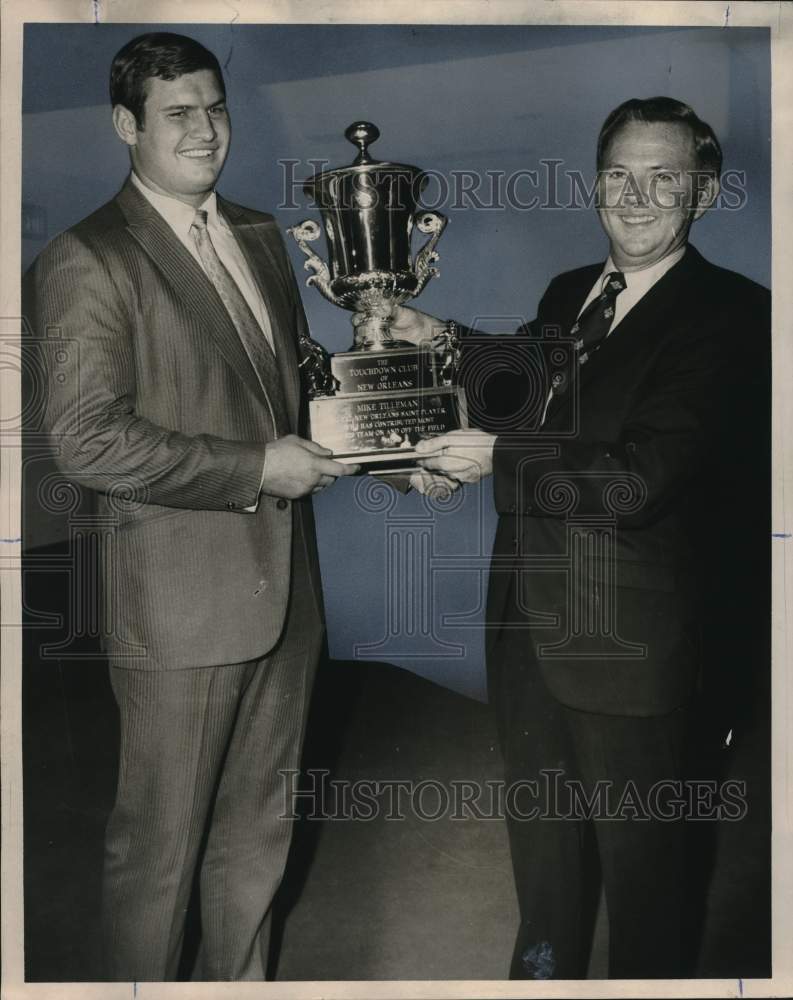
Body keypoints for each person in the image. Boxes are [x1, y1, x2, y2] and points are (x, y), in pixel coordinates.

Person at [399, 97, 770, 978]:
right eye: (617, 174)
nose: (634, 197)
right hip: (530, 623)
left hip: (632, 647)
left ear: (703, 194)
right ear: (593, 183)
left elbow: (633, 480)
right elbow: (524, 402)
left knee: (648, 879)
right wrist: (434, 341)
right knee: (546, 856)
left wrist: (492, 454)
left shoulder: (732, 315)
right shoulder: (572, 292)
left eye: (662, 178)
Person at [24, 32, 357, 982]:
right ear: (125, 125)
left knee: (257, 843)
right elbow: (87, 439)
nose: (205, 131)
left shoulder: (256, 233)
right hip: (175, 609)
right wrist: (254, 466)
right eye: (178, 114)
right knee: (158, 861)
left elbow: (293, 388)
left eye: (215, 108)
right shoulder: (87, 258)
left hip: (287, 596)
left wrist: (386, 434)